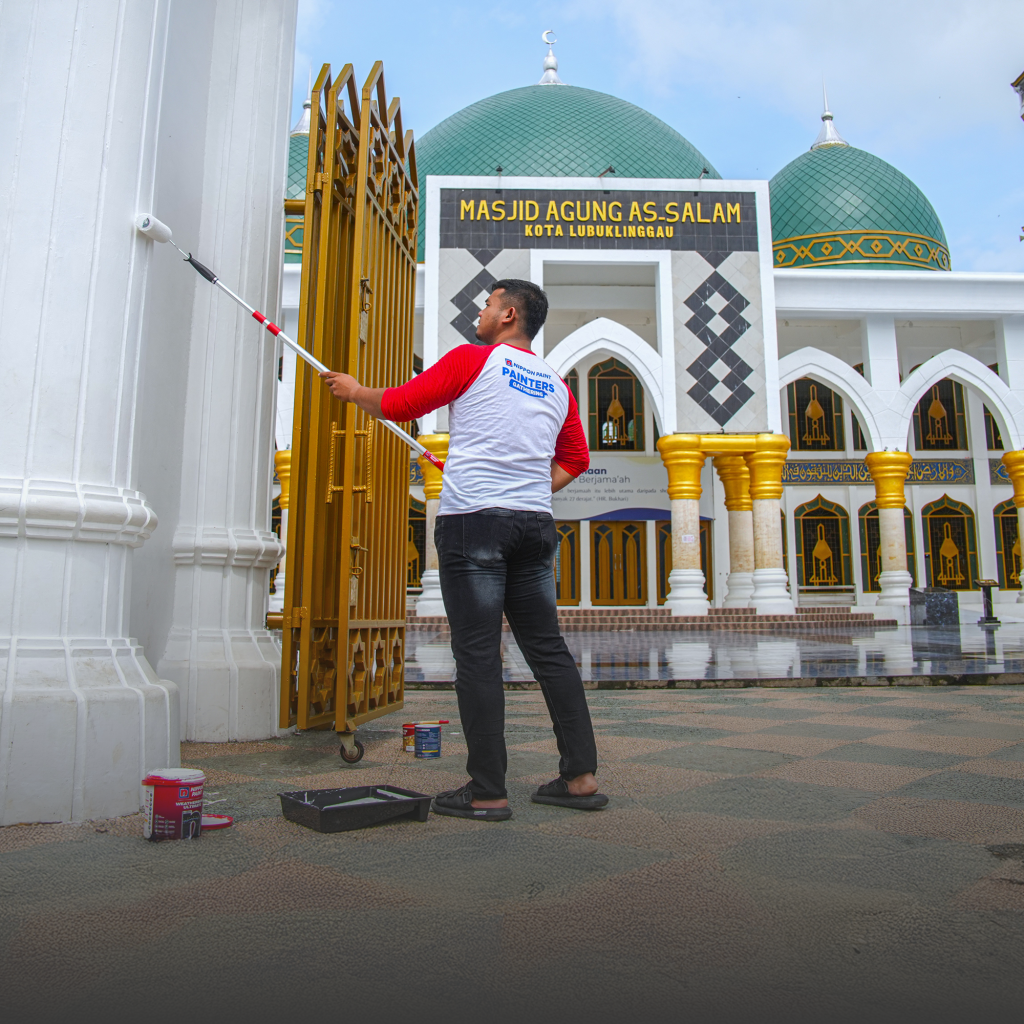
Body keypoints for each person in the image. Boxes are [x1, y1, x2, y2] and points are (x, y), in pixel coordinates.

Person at [321, 279, 607, 820]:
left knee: (477, 656)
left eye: (487, 304)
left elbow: (404, 405)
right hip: (532, 527)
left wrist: (356, 391)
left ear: (508, 314)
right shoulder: (554, 383)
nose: (479, 311)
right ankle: (580, 777)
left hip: (474, 525)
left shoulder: (472, 360)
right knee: (549, 651)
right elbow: (576, 457)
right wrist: (523, 488)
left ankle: (488, 791)